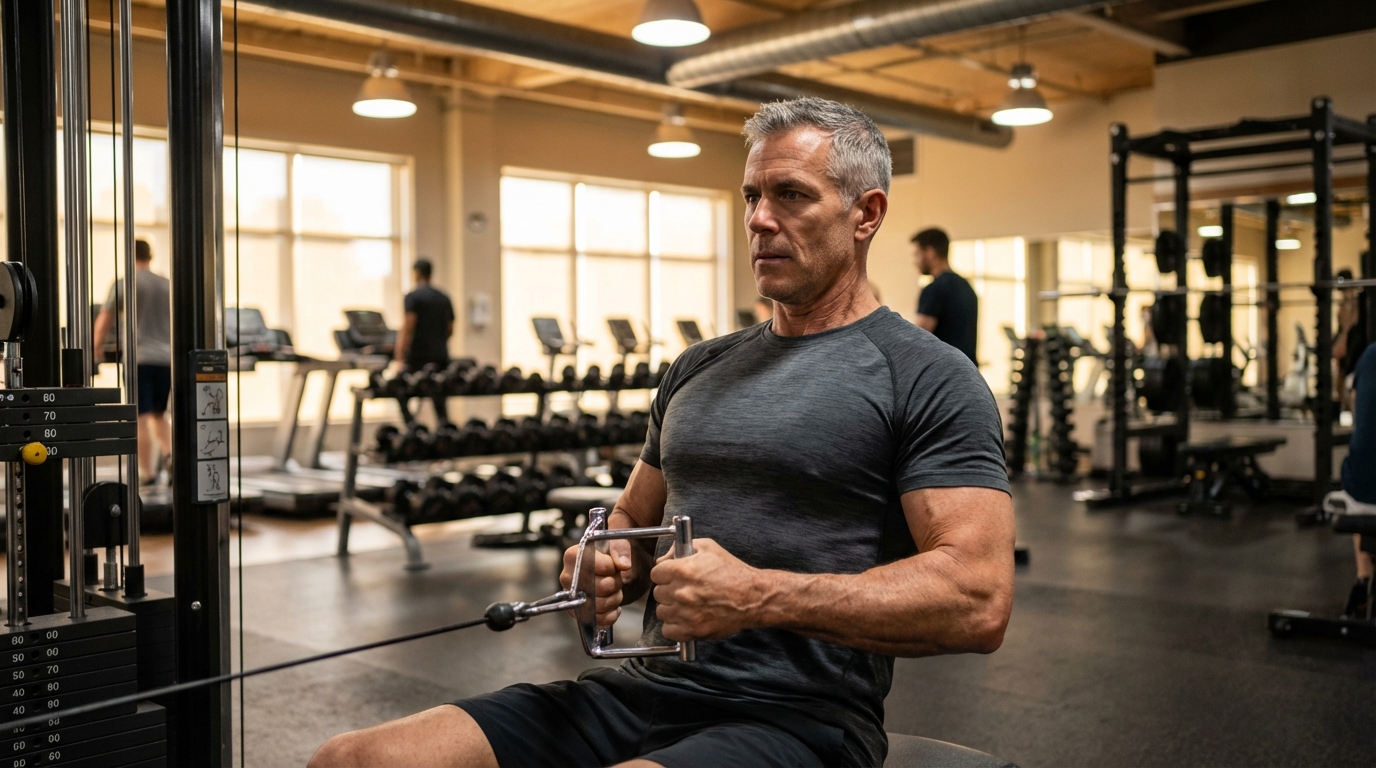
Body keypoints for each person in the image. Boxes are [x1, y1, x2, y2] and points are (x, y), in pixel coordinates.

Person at [310, 97, 1013, 768]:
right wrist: (602, 564)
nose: (760, 219)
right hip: (641, 690)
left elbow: (978, 598)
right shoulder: (697, 367)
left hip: (799, 721)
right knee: (350, 759)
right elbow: (630, 524)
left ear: (867, 214)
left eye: (791, 195)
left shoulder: (926, 376)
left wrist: (758, 596)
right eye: (751, 196)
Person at [93, 239, 171, 485]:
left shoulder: (125, 283)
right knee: (159, 414)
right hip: (166, 358)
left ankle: (148, 474)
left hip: (140, 358)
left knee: (141, 417)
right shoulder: (167, 284)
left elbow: (105, 319)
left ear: (129, 256)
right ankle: (170, 456)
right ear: (151, 255)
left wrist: (95, 348)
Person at [394, 258, 454, 425]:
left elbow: (409, 325)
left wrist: (400, 354)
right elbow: (450, 329)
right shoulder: (444, 298)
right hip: (440, 356)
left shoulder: (412, 297)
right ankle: (444, 431)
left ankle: (411, 427)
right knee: (439, 398)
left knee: (400, 390)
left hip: (418, 357)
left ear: (416, 273)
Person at [1341, 344, 1376, 618]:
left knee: (1362, 471)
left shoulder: (1370, 354)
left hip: (1360, 494)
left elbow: (1352, 400)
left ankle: (1363, 579)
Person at [912, 228, 978, 364]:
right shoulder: (966, 286)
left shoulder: (934, 289)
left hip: (944, 371)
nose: (915, 261)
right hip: (968, 369)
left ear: (930, 253)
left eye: (917, 254)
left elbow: (919, 339)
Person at [1334, 267, 1369, 410]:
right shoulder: (1345, 304)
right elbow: (1343, 328)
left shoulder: (1355, 303)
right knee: (1341, 379)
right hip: (1347, 343)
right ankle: (1345, 407)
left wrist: (1342, 343)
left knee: (1348, 380)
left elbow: (1348, 326)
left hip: (1354, 345)